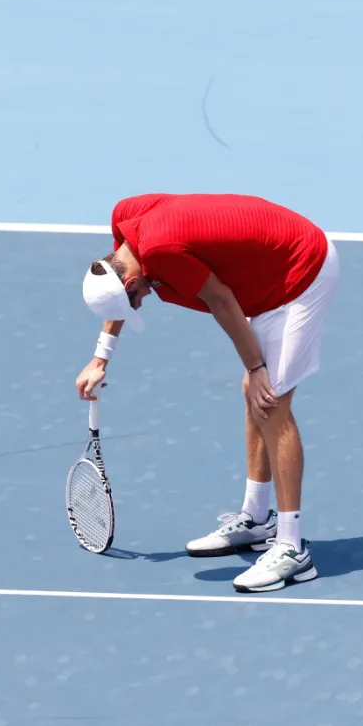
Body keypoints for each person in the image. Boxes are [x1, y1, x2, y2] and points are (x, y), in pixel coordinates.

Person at [75, 193, 339, 593]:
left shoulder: (159, 252)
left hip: (299, 270)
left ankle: (292, 549)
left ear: (129, 280)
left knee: (270, 402)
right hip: (268, 266)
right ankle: (256, 519)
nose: (142, 304)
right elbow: (127, 288)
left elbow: (221, 299)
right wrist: (101, 358)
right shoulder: (126, 224)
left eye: (137, 300)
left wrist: (257, 367)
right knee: (254, 391)